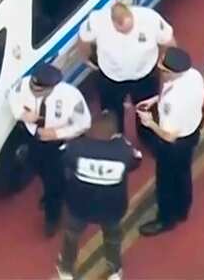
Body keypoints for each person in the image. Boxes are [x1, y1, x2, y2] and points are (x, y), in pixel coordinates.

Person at [8, 64, 92, 236]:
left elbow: (83, 123)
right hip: (35, 139)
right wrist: (22, 115)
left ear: (52, 87)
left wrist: (56, 133)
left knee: (56, 180)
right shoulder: (24, 85)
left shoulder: (71, 97)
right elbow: (12, 96)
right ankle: (51, 195)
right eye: (33, 87)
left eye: (39, 90)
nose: (33, 92)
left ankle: (52, 217)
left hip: (59, 144)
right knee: (39, 169)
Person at [55, 113, 139, 280]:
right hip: (112, 207)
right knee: (113, 238)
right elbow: (136, 162)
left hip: (80, 205)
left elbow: (63, 158)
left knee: (72, 235)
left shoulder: (77, 147)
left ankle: (66, 270)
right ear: (114, 134)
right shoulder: (123, 150)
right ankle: (114, 270)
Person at [76, 1, 174, 141]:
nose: (127, 32)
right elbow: (83, 41)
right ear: (113, 22)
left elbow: (168, 42)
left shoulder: (150, 18)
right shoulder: (97, 21)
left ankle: (147, 137)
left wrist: (166, 67)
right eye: (122, 30)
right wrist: (87, 61)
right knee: (112, 113)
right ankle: (117, 139)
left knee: (146, 109)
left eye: (130, 27)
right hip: (111, 78)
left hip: (145, 75)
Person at [135, 47, 204, 237]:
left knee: (165, 181)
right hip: (191, 132)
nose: (159, 68)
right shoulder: (193, 76)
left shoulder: (173, 103)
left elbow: (168, 136)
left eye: (162, 67)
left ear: (171, 72)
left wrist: (149, 123)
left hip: (174, 144)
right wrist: (156, 99)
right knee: (183, 174)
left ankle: (165, 219)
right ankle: (183, 209)